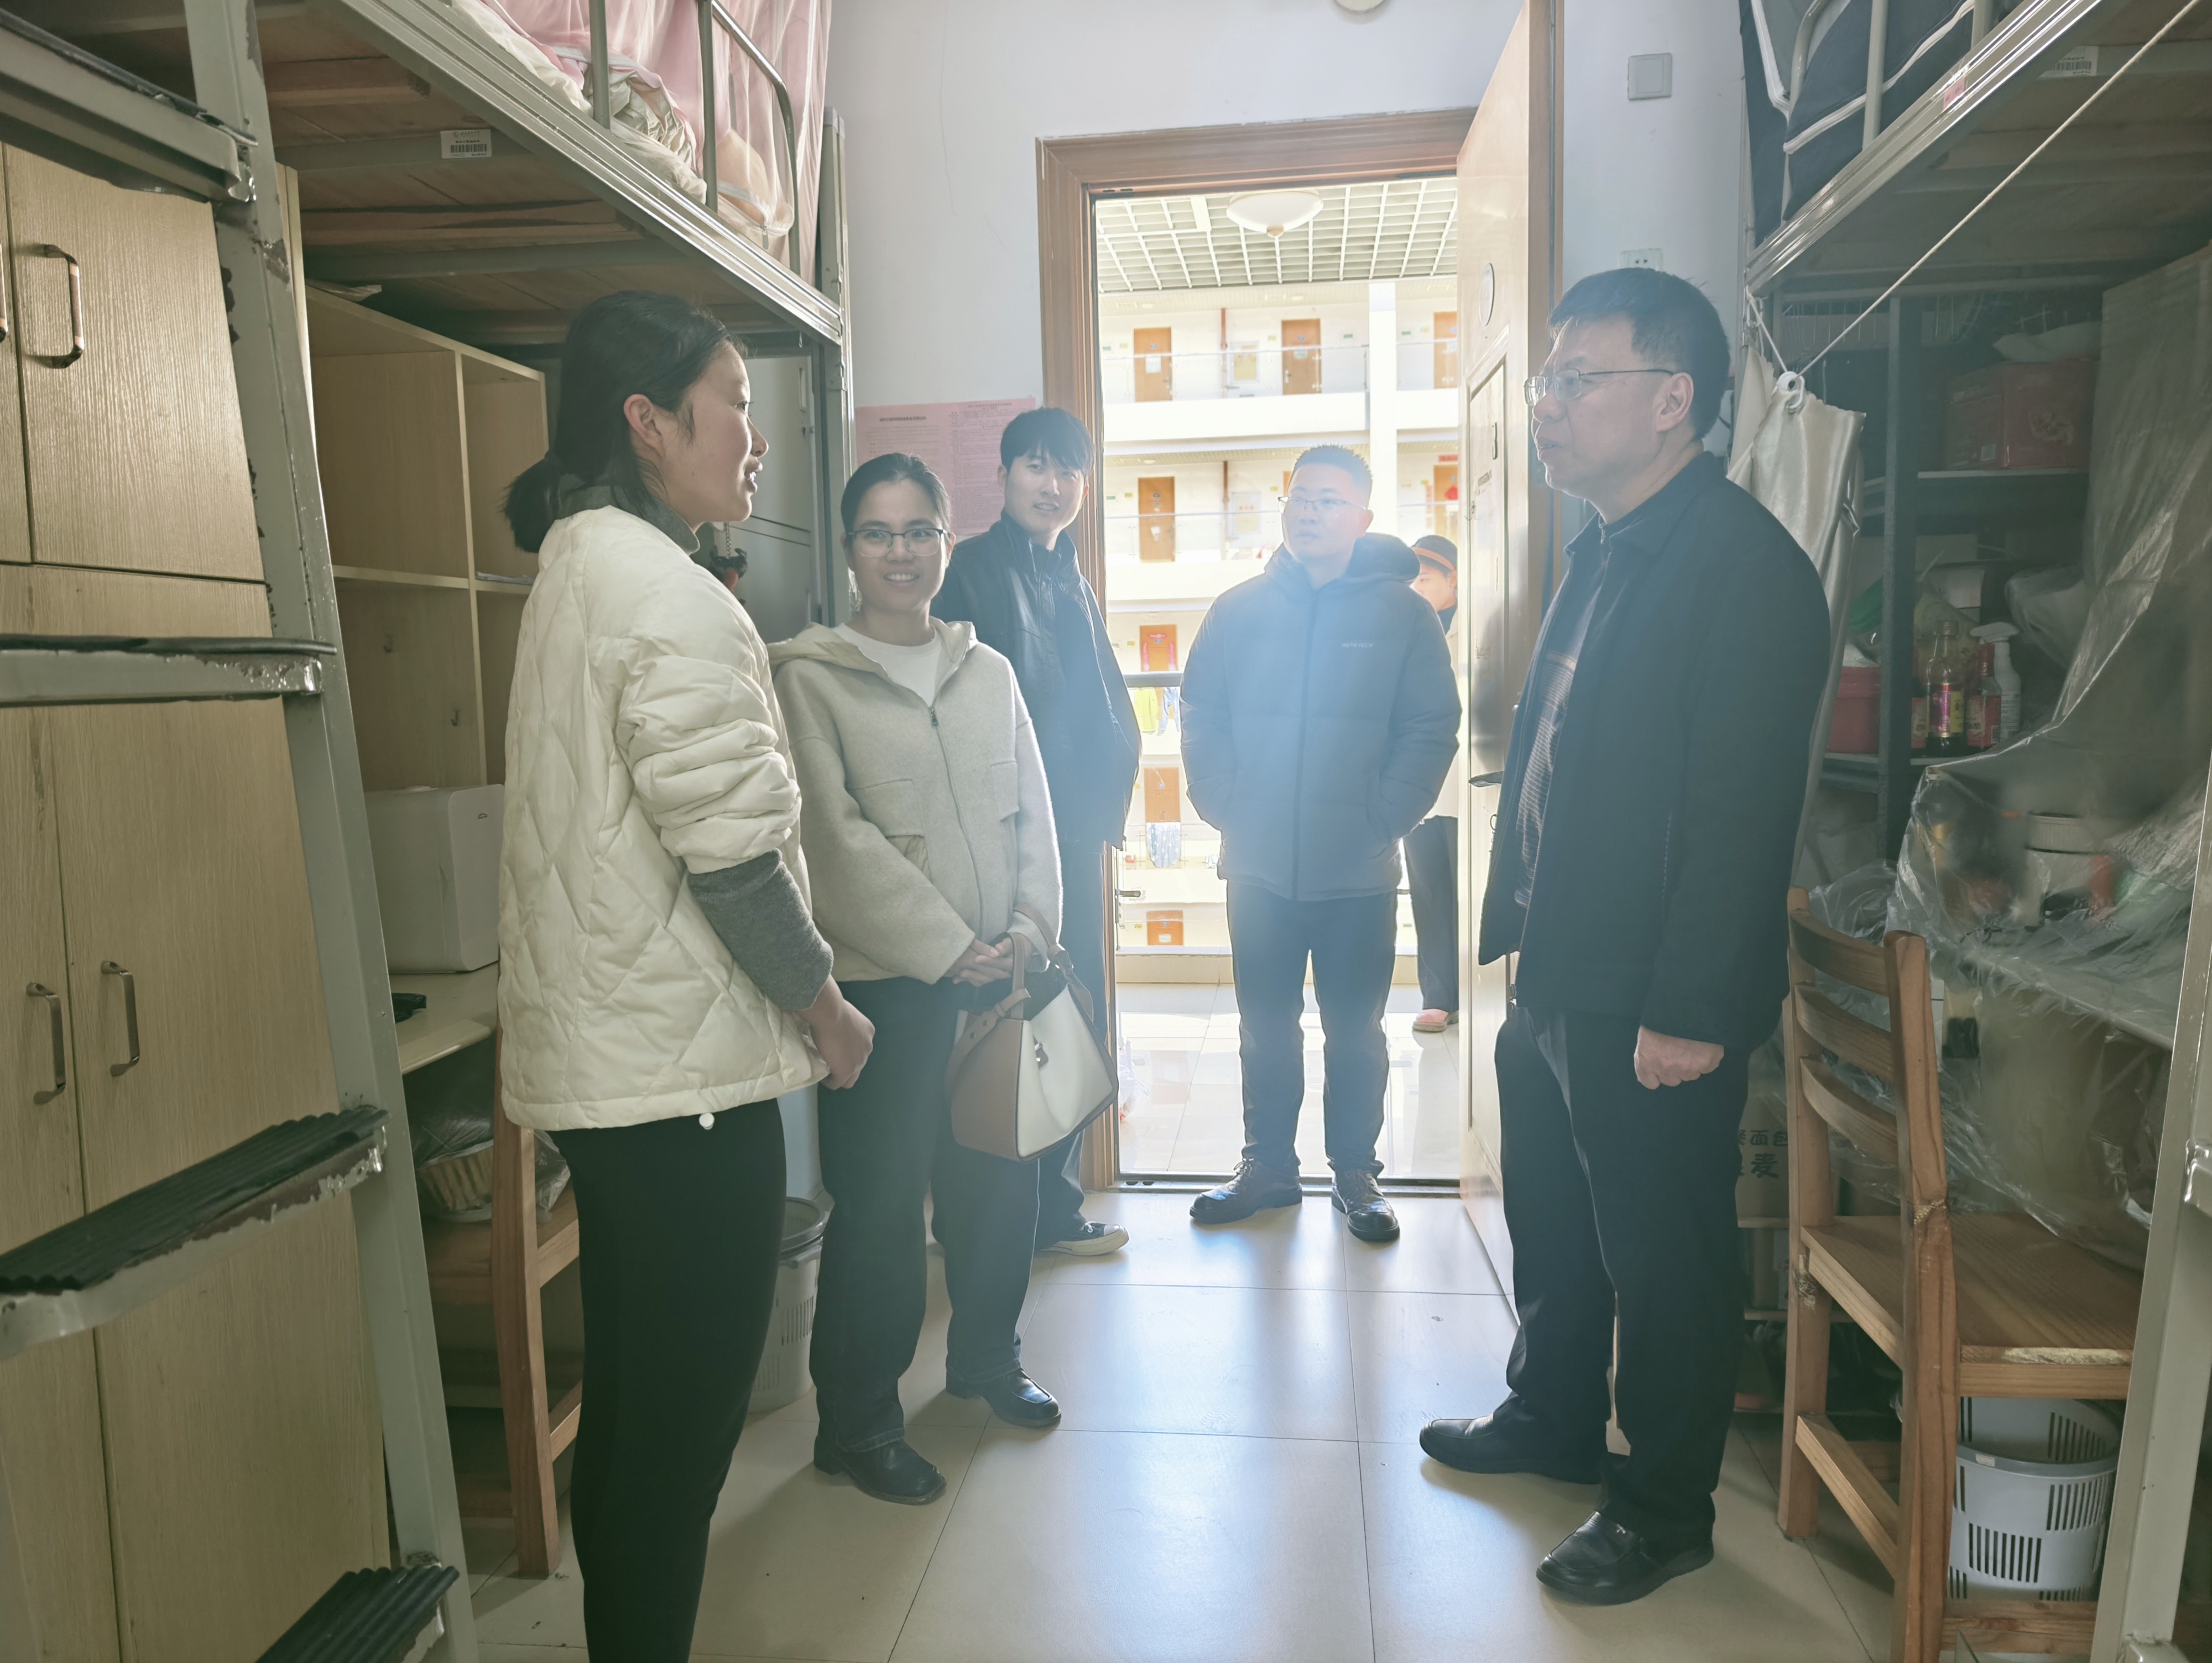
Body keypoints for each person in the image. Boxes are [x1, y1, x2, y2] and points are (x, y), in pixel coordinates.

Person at [1418, 268, 1829, 1606]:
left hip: (1653, 991)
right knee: (1552, 1217)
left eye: (1573, 379)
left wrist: (1690, 1010)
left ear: (1669, 400)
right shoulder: (1602, 547)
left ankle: (1659, 1509)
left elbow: (1738, 814)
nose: (1543, 404)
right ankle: (1549, 1415)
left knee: (1664, 1253)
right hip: (1560, 961)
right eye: (1545, 380)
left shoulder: (1741, 570)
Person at [495, 291, 875, 1662]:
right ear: (648, 424)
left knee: (634, 1409)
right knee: (681, 1427)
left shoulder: (578, 564)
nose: (755, 439)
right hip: (682, 1092)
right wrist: (826, 1008)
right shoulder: (668, 595)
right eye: (735, 405)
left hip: (618, 1076)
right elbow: (732, 861)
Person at [771, 452, 1066, 1505]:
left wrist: (1028, 927)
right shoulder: (808, 677)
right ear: (850, 548)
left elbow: (1034, 810)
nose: (900, 552)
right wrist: (947, 945)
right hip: (884, 988)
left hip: (998, 976)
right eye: (877, 532)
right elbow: (830, 839)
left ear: (948, 540)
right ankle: (856, 1423)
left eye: (919, 531)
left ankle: (987, 1359)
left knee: (999, 1182)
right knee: (884, 1210)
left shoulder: (988, 671)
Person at [1179, 446, 1459, 1243]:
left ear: (1362, 518)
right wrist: (1225, 804)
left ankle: (1356, 1172)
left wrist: (1384, 818)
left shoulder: (1402, 614)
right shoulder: (1237, 610)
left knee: (1356, 1032)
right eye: (1300, 497)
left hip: (1357, 869)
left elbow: (1430, 725)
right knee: (1264, 1027)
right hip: (1258, 865)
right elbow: (1200, 713)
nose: (1310, 511)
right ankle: (1267, 1165)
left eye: (1330, 500)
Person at [935, 407, 1140, 1258]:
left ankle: (1047, 1210)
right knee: (1002, 1024)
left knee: (1067, 1018)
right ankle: (990, 1220)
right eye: (1035, 466)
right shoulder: (972, 572)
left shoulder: (1067, 572)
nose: (1052, 485)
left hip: (1072, 835)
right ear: (1004, 477)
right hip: (1007, 842)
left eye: (1068, 471)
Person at [1405, 534, 1461, 1036]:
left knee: (1468, 891)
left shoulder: (1477, 630)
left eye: (1425, 579)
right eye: (1412, 581)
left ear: (1453, 580)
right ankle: (1438, 997)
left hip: (1467, 787)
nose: (1417, 589)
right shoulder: (1407, 632)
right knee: (1428, 895)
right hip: (1418, 791)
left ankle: (1478, 990)